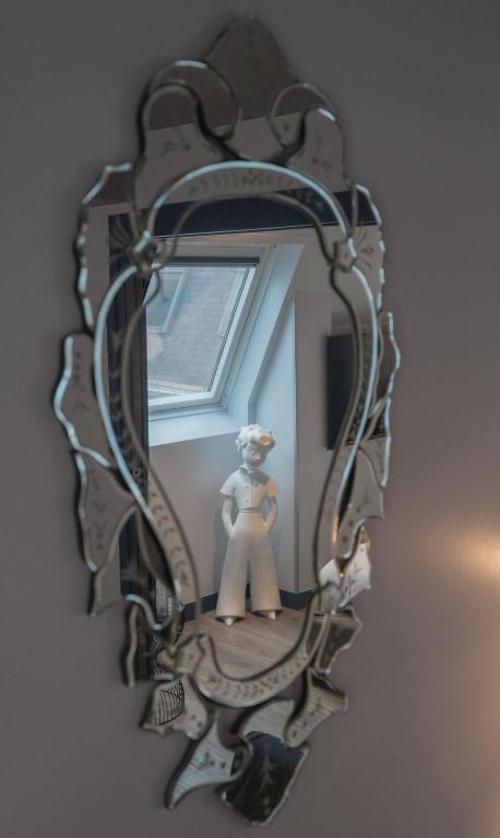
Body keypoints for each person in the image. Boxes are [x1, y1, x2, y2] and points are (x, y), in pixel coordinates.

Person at [215, 424, 282, 625]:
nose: (259, 456)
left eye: (263, 453)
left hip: (258, 526)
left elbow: (274, 508)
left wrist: (266, 528)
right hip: (240, 527)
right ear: (242, 448)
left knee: (264, 566)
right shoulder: (233, 479)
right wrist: (231, 532)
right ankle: (229, 607)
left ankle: (267, 603)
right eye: (254, 451)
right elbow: (226, 511)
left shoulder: (266, 481)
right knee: (233, 568)